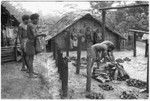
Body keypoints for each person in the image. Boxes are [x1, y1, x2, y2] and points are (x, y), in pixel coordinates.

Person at [26, 13, 46, 78]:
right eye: (37, 19)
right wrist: (42, 34)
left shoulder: (31, 25)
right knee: (30, 59)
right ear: (34, 19)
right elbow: (34, 35)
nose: (38, 20)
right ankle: (30, 74)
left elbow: (34, 34)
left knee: (31, 58)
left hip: (31, 43)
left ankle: (32, 71)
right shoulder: (31, 25)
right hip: (30, 43)